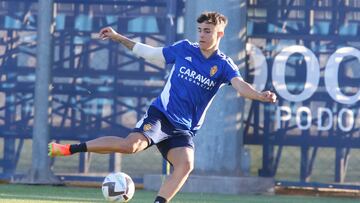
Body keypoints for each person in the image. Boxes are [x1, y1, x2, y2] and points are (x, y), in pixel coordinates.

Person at [48, 11, 277, 203]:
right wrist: (118, 37)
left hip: (183, 129)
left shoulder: (224, 65)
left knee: (186, 164)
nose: (202, 35)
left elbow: (241, 86)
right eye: (199, 30)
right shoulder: (185, 48)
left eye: (207, 31)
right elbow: (150, 53)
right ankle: (70, 149)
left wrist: (259, 95)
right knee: (131, 146)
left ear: (220, 33)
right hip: (161, 115)